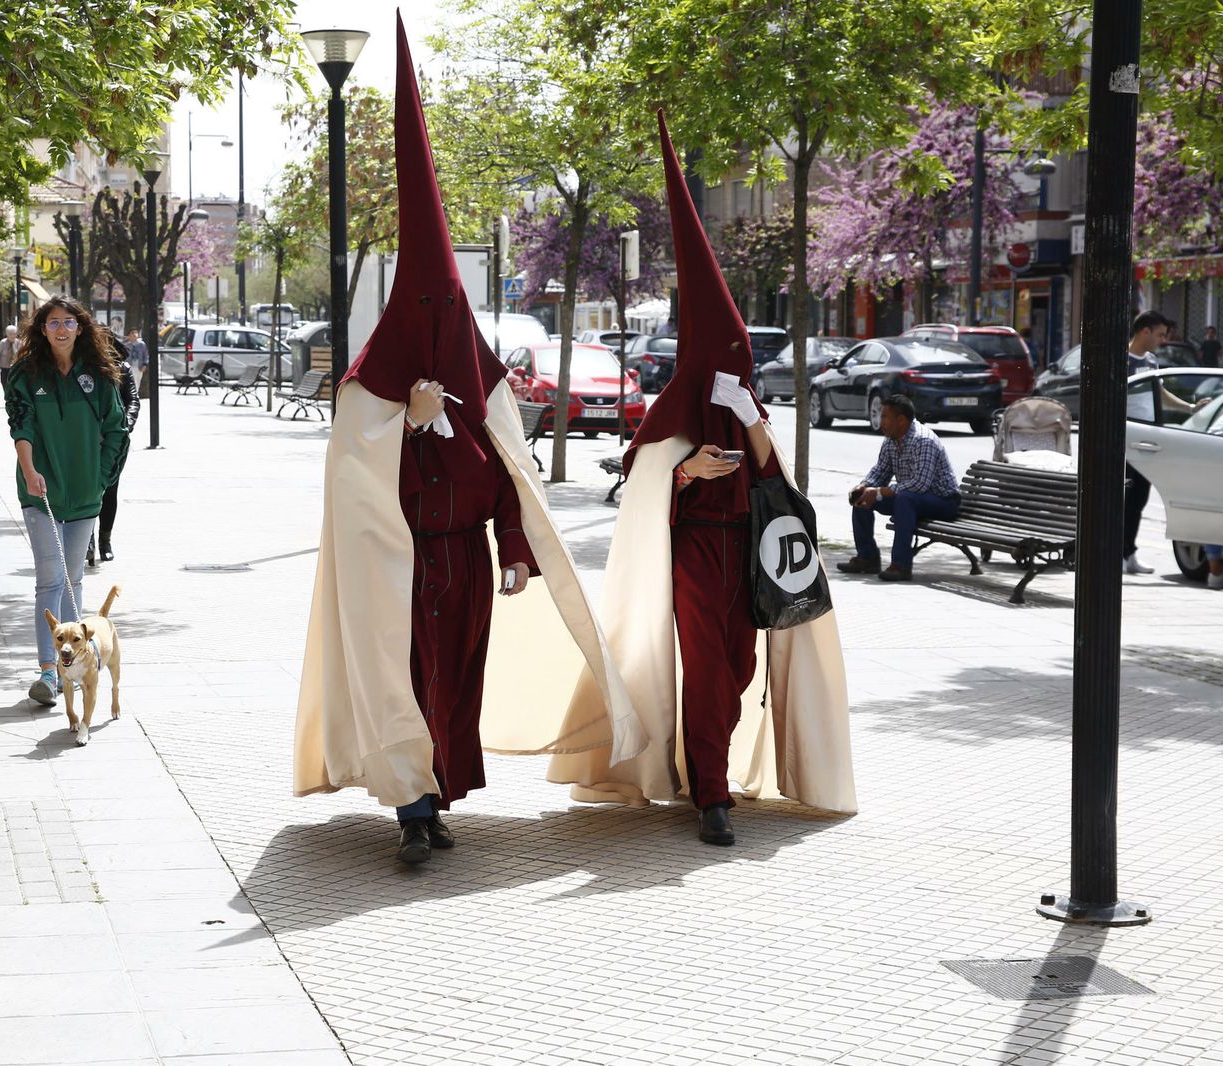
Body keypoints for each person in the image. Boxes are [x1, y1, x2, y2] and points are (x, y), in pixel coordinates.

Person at [294, 15, 640, 867]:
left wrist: (516, 545)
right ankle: (411, 805)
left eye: (450, 312)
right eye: (428, 312)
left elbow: (508, 476)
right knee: (407, 681)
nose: (441, 326)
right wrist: (401, 426)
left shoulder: (481, 386)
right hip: (400, 569)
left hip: (469, 567)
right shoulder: (367, 390)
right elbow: (352, 476)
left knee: (457, 687)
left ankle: (437, 795)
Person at [547, 111, 855, 846]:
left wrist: (749, 419)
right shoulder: (676, 403)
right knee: (709, 671)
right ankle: (712, 795)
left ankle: (703, 763)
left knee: (741, 668)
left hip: (746, 552)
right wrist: (683, 470)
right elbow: (642, 474)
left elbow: (776, 480)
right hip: (694, 552)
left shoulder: (745, 401)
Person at [5, 297, 131, 705]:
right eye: (53, 322)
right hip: (40, 493)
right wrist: (29, 470)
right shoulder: (26, 374)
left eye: (69, 322)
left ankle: (72, 662)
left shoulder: (97, 376)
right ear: (42, 329)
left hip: (84, 495)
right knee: (50, 578)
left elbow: (117, 430)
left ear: (80, 328)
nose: (61, 329)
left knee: (74, 578)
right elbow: (20, 424)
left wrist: (101, 479)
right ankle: (47, 672)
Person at [836, 394, 962, 583]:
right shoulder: (891, 440)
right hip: (911, 499)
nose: (881, 421)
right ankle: (867, 557)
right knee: (863, 498)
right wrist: (864, 486)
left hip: (943, 501)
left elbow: (920, 484)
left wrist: (878, 492)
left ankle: (900, 566)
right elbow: (880, 472)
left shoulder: (923, 440)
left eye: (885, 417)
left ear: (901, 420)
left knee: (905, 498)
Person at [1123, 310, 1196, 574]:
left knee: (1140, 497)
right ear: (1145, 332)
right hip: (1127, 437)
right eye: (1160, 334)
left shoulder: (1151, 362)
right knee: (1125, 496)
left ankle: (1129, 553)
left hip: (1148, 437)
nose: (1163, 340)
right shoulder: (1123, 361)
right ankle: (1119, 553)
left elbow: (1159, 392)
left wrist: (1189, 407)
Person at [88, 338, 140, 567]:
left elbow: (133, 401)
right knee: (86, 491)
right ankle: (85, 541)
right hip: (86, 440)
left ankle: (105, 541)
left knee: (110, 491)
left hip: (113, 439)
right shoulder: (84, 369)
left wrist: (125, 426)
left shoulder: (123, 369)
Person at [0, 324, 19, 392]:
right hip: (4, 368)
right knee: (4, 383)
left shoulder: (18, 342)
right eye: (10, 334)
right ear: (7, 334)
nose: (12, 336)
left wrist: (14, 346)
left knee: (14, 385)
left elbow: (18, 355)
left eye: (14, 334)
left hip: (15, 368)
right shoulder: (3, 342)